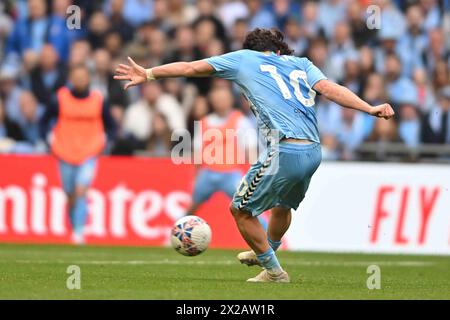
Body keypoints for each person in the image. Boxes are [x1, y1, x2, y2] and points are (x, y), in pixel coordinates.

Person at [114, 28, 394, 283]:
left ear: (251, 47)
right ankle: (266, 251)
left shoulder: (244, 58)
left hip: (284, 148)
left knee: (240, 210)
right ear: (278, 49)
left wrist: (149, 73)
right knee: (283, 206)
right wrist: (369, 108)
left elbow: (189, 67)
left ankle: (273, 270)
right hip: (312, 150)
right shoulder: (302, 64)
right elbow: (331, 90)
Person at [40, 65, 116, 244]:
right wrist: (47, 140)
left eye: (83, 77)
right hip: (64, 152)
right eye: (76, 77)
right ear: (71, 79)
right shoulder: (59, 99)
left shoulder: (98, 100)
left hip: (89, 153)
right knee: (70, 194)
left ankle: (79, 232)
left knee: (81, 190)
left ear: (88, 79)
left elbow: (112, 125)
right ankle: (74, 226)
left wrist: (106, 141)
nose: (80, 80)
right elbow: (43, 121)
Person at [187, 86, 258, 217]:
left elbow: (251, 149)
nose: (220, 102)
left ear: (230, 100)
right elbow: (197, 152)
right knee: (192, 206)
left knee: (248, 208)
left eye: (223, 98)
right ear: (212, 101)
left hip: (231, 173)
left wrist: (253, 175)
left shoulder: (240, 121)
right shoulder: (205, 122)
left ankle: (266, 236)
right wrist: (195, 177)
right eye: (217, 99)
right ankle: (176, 233)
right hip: (208, 172)